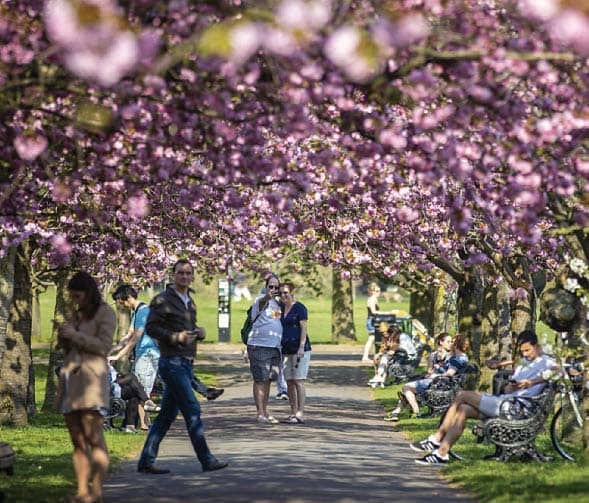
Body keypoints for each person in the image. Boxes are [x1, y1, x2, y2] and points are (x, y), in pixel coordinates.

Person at [411, 330, 557, 465]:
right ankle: (441, 453)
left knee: (462, 395)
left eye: (527, 350)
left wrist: (532, 382)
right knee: (463, 409)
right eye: (522, 351)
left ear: (537, 347)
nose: (524, 354)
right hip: (507, 402)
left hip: (515, 408)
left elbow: (561, 371)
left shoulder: (546, 361)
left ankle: (437, 438)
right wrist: (511, 386)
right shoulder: (525, 362)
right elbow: (509, 386)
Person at [136, 259, 227, 474]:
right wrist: (174, 337)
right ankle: (206, 459)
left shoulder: (189, 301)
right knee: (193, 409)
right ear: (173, 275)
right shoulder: (162, 300)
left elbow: (188, 328)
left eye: (188, 273)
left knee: (166, 416)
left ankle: (145, 461)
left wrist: (199, 332)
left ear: (192, 276)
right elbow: (151, 328)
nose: (184, 277)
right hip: (171, 363)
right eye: (180, 273)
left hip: (186, 363)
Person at [56, 271, 116, 503]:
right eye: (72, 297)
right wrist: (64, 336)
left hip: (92, 382)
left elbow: (103, 346)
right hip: (71, 381)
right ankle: (82, 491)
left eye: (78, 296)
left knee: (94, 437)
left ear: (89, 293)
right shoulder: (75, 315)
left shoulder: (105, 313)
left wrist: (76, 335)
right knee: (77, 440)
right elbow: (70, 344)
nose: (75, 301)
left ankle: (97, 491)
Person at [384, 333, 466, 422]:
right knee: (408, 390)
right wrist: (432, 371)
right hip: (436, 381)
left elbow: (449, 372)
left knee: (406, 387)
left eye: (452, 342)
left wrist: (435, 374)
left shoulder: (453, 357)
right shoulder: (435, 355)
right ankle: (396, 412)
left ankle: (414, 411)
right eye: (449, 341)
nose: (451, 344)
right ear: (441, 342)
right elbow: (431, 370)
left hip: (439, 383)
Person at [110, 284, 159, 424]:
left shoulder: (143, 311)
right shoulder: (136, 312)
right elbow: (128, 335)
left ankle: (143, 425)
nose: (121, 305)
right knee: (140, 390)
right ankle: (144, 424)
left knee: (141, 391)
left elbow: (135, 338)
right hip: (142, 355)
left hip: (148, 356)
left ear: (129, 298)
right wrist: (112, 351)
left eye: (121, 302)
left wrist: (119, 356)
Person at [246, 273, 283, 424]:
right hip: (259, 345)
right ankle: (260, 412)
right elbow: (262, 301)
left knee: (268, 380)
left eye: (276, 287)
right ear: (266, 287)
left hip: (274, 347)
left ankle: (265, 410)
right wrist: (267, 296)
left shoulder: (277, 304)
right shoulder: (261, 300)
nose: (273, 289)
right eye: (271, 286)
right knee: (260, 379)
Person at [279, 281, 312, 424]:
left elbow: (303, 328)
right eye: (280, 293)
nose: (283, 295)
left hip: (299, 349)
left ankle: (300, 412)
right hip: (285, 349)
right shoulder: (279, 308)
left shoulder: (299, 308)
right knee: (289, 382)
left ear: (292, 293)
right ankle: (292, 411)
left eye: (285, 292)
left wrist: (301, 346)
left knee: (298, 380)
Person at [361, 282, 389, 363]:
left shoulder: (374, 299)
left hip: (374, 320)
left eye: (379, 291)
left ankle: (374, 356)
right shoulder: (372, 299)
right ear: (372, 291)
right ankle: (365, 357)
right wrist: (386, 313)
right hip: (372, 321)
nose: (378, 293)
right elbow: (373, 312)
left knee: (374, 339)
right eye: (377, 291)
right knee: (372, 339)